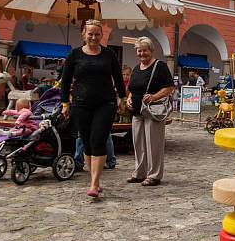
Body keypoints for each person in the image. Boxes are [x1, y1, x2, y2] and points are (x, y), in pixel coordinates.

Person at [60, 19, 126, 198]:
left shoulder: (109, 54)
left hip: (106, 102)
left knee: (98, 139)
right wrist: (65, 103)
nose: (94, 37)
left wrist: (122, 97)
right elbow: (65, 81)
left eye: (97, 34)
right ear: (83, 34)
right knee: (87, 142)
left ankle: (95, 183)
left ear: (101, 35)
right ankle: (93, 180)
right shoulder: (74, 55)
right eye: (90, 34)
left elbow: (118, 77)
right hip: (81, 103)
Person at [126, 37, 174, 186]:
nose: (141, 53)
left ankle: (154, 175)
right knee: (138, 144)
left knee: (154, 145)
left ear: (151, 50)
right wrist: (129, 98)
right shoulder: (135, 68)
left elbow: (169, 87)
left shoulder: (160, 66)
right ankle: (140, 173)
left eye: (144, 50)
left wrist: (154, 96)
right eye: (139, 50)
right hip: (137, 111)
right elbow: (133, 88)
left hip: (153, 111)